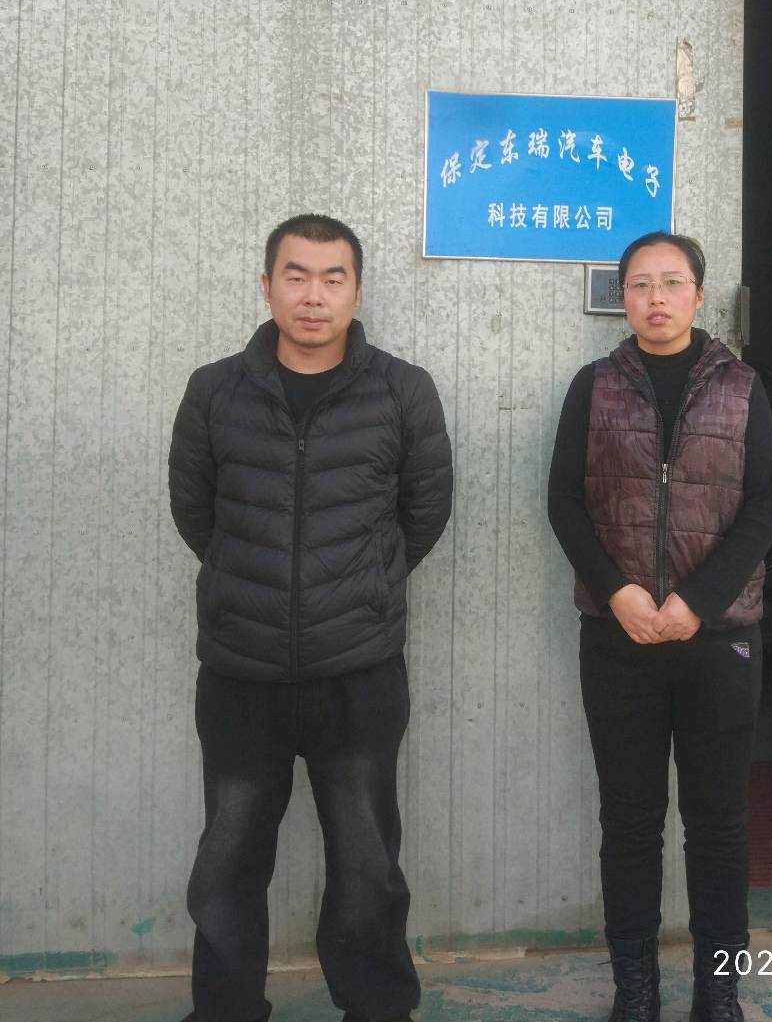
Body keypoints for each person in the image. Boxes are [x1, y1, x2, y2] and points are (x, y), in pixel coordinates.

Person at [169, 213, 453, 1022]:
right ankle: (225, 1010)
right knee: (227, 861)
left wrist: (361, 589)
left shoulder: (402, 391)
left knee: (367, 863)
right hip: (241, 671)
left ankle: (376, 1008)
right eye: (296, 276)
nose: (314, 296)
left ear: (357, 291)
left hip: (358, 670)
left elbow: (424, 511)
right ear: (267, 286)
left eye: (333, 278)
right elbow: (195, 511)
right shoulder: (214, 390)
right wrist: (254, 587)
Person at [548, 231, 772, 1022]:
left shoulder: (742, 389)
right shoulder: (593, 388)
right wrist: (617, 593)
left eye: (672, 282)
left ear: (698, 295)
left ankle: (719, 989)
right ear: (623, 297)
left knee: (718, 826)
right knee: (630, 823)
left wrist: (697, 601)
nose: (656, 298)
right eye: (641, 284)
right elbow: (565, 502)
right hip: (618, 639)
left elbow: (765, 507)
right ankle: (636, 988)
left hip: (720, 641)